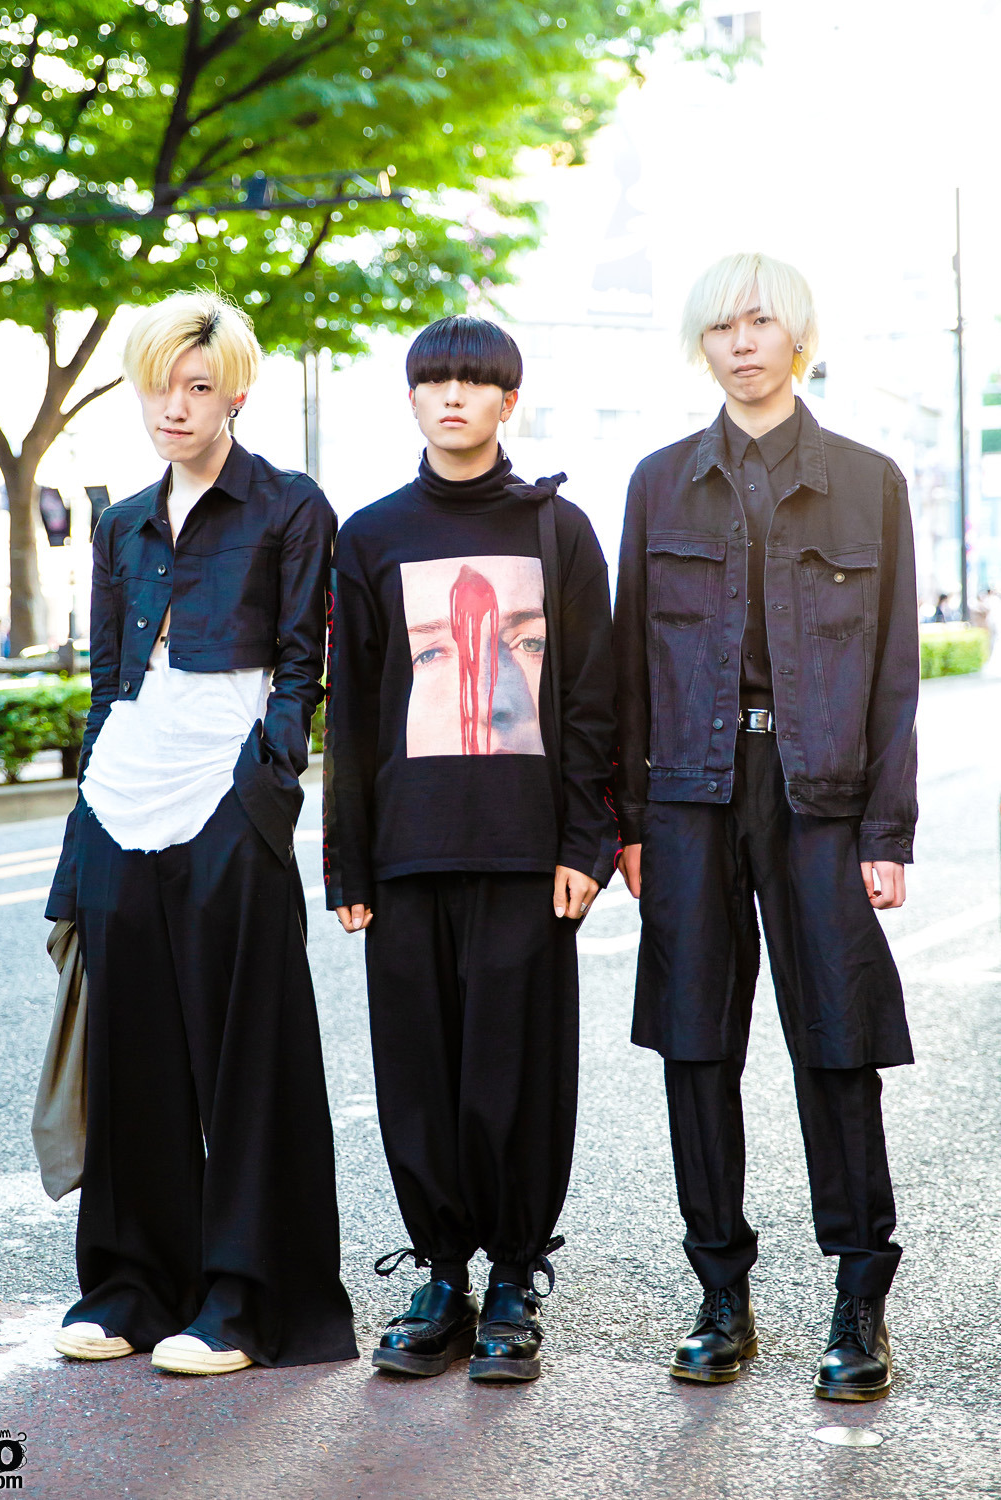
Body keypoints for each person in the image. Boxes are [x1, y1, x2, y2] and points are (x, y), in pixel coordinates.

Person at [614, 253, 918, 1402]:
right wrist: (627, 821)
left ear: (797, 335)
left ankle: (858, 1298)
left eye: (761, 322)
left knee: (836, 1040)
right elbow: (627, 660)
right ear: (703, 346)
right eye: (720, 327)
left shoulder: (866, 481)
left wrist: (887, 829)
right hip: (688, 793)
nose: (740, 342)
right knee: (696, 1042)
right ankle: (722, 1291)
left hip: (822, 795)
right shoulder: (657, 483)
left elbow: (893, 672)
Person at [44, 289, 357, 1376]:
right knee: (133, 1057)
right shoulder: (124, 520)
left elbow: (303, 673)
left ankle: (243, 1298)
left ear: (233, 392)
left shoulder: (289, 505)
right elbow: (105, 683)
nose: (173, 407)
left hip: (227, 799)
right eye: (158, 386)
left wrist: (260, 796)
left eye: (197, 386)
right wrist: (81, 827)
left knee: (247, 1059)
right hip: (123, 799)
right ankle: (132, 1284)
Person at [324, 315, 617, 1383]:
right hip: (404, 854)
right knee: (418, 1072)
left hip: (527, 852)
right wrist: (346, 861)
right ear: (410, 399)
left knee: (518, 1076)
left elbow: (593, 700)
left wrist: (586, 840)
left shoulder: (562, 531)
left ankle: (510, 1284)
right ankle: (441, 1276)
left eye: (473, 382)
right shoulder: (371, 535)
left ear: (508, 402)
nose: (452, 397)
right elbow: (350, 711)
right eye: (432, 380)